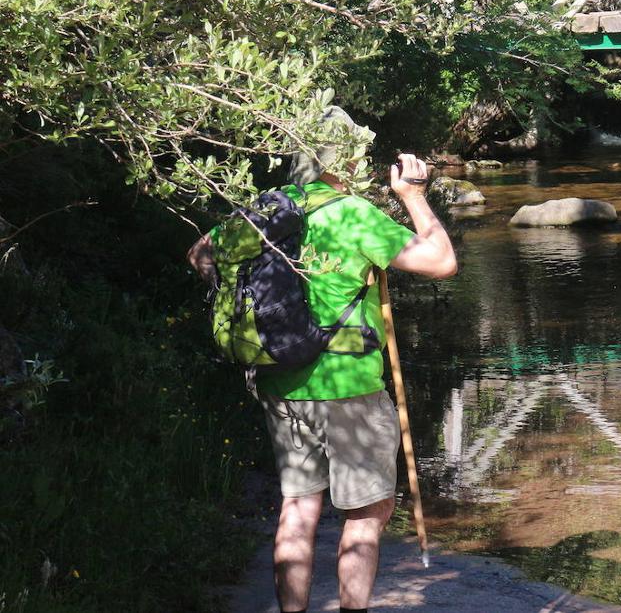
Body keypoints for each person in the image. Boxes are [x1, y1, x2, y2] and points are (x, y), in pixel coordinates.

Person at [186, 106, 457, 613]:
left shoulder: (264, 212)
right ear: (346, 158)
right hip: (350, 387)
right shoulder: (352, 214)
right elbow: (441, 262)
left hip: (281, 382)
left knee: (298, 508)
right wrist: (414, 197)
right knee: (364, 516)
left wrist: (251, 302)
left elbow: (200, 254)